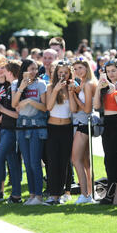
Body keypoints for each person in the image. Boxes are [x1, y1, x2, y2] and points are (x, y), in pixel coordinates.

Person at [93, 59, 117, 205]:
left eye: (113, 71)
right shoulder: (103, 87)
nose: (111, 74)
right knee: (109, 160)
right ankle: (110, 194)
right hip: (108, 125)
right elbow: (96, 106)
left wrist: (114, 91)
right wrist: (98, 88)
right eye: (108, 71)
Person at [11, 59, 48, 205]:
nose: (34, 72)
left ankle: (39, 195)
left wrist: (29, 102)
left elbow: (44, 107)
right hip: (22, 126)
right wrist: (22, 87)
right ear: (24, 70)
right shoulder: (16, 84)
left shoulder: (41, 84)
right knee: (26, 162)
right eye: (31, 68)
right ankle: (32, 195)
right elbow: (14, 104)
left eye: (36, 69)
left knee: (35, 162)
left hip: (37, 126)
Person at [0, 60, 22, 204]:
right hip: (5, 130)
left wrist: (1, 109)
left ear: (10, 72)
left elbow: (17, 114)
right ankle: (16, 195)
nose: (3, 72)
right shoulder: (11, 88)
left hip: (11, 130)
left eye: (6, 70)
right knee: (13, 163)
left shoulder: (14, 87)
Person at [44, 61, 75, 205]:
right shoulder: (50, 87)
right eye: (60, 72)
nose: (62, 75)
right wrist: (56, 90)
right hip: (53, 127)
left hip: (67, 128)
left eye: (65, 72)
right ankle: (53, 194)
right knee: (52, 161)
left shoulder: (71, 88)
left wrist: (70, 92)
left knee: (64, 161)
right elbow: (48, 107)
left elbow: (74, 110)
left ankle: (64, 192)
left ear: (69, 74)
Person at [70, 57, 97, 204]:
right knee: (86, 161)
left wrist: (74, 94)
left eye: (80, 67)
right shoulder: (83, 83)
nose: (78, 71)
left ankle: (84, 194)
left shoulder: (88, 84)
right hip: (84, 123)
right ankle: (89, 194)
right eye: (75, 69)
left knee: (76, 159)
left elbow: (87, 109)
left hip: (85, 123)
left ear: (87, 67)